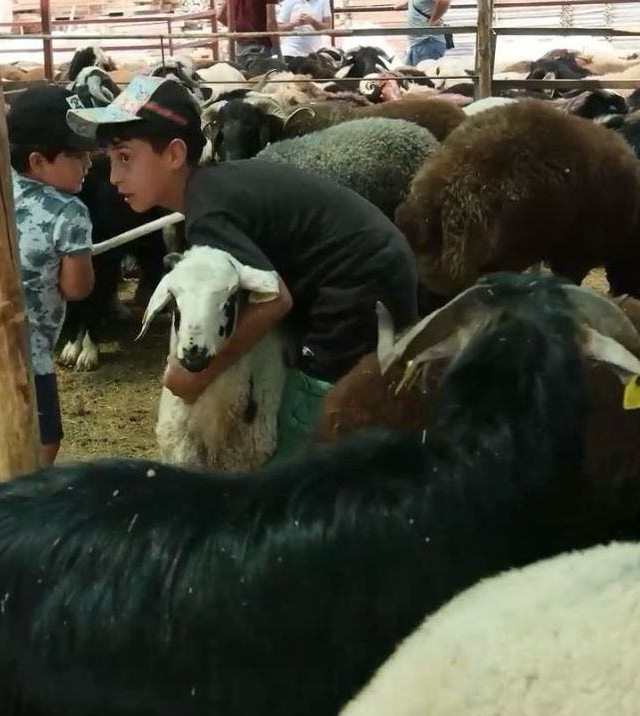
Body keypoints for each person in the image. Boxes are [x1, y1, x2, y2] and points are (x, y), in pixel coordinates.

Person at [67, 76, 419, 461]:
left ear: (174, 155)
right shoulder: (212, 191)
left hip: (358, 278)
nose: (114, 176)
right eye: (111, 160)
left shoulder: (208, 214)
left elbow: (275, 298)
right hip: (366, 266)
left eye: (125, 158)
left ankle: (303, 479)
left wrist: (198, 374)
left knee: (313, 403)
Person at [0, 85, 96, 481]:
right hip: (26, 348)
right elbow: (77, 289)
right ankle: (13, 506)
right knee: (41, 441)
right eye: (76, 155)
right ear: (38, 161)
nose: (88, 163)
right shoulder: (70, 212)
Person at [216, 0, 279, 73]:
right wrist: (278, 52)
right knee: (261, 78)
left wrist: (240, 26)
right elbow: (271, 23)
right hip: (260, 46)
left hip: (241, 48)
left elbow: (221, 16)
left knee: (243, 78)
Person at [405, 0, 452, 66]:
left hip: (428, 43)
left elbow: (444, 1)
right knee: (410, 71)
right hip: (417, 44)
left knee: (425, 71)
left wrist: (433, 20)